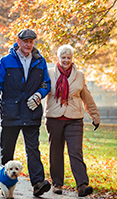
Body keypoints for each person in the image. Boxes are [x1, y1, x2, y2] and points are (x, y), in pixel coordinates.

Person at [0, 29, 52, 196]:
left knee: (33, 150)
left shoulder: (40, 61)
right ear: (18, 41)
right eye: (25, 41)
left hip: (31, 112)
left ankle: (38, 184)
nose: (28, 44)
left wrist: (38, 95)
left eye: (31, 41)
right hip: (10, 112)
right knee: (7, 150)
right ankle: (4, 183)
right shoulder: (6, 61)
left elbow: (46, 84)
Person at [44, 44, 100, 197]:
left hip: (74, 119)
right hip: (54, 118)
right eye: (63, 57)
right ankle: (57, 184)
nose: (66, 60)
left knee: (75, 151)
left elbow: (86, 97)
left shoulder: (79, 75)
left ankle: (82, 185)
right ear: (58, 58)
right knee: (55, 152)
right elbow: (41, 91)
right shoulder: (49, 73)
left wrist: (95, 116)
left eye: (68, 58)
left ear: (72, 59)